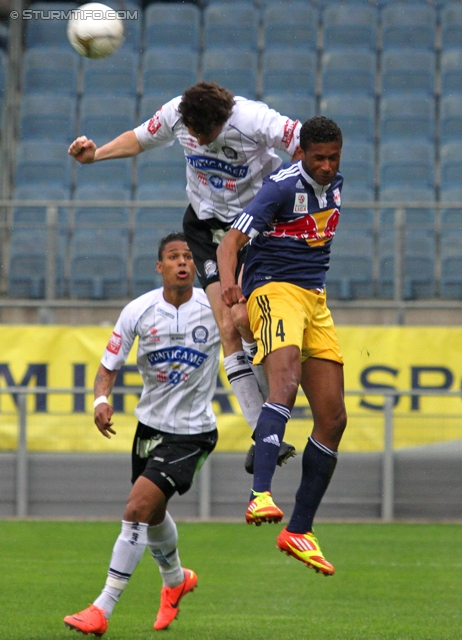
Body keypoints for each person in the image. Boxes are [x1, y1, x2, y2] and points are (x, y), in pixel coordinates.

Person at [68, 81, 299, 470]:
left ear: (223, 120)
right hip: (206, 229)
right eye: (190, 132)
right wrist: (96, 156)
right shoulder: (177, 113)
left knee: (248, 323)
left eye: (202, 134)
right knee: (228, 322)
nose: (194, 138)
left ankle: (272, 416)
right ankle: (265, 435)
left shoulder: (254, 119)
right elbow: (139, 139)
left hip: (255, 229)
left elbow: (304, 145)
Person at [63, 232, 220, 636]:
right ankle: (175, 581)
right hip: (149, 427)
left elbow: (247, 349)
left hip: (193, 433)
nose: (183, 262)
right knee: (152, 515)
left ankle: (102, 608)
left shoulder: (214, 307)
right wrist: (101, 401)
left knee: (135, 509)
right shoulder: (139, 310)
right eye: (173, 256)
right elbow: (108, 365)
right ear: (160, 266)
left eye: (188, 256)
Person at [216, 116, 347, 576]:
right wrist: (232, 286)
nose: (327, 166)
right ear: (303, 154)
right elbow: (229, 242)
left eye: (334, 157)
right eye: (319, 158)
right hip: (274, 290)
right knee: (285, 381)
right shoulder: (280, 188)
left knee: (333, 417)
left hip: (315, 300)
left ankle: (300, 530)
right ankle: (260, 495)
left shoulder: (335, 186)